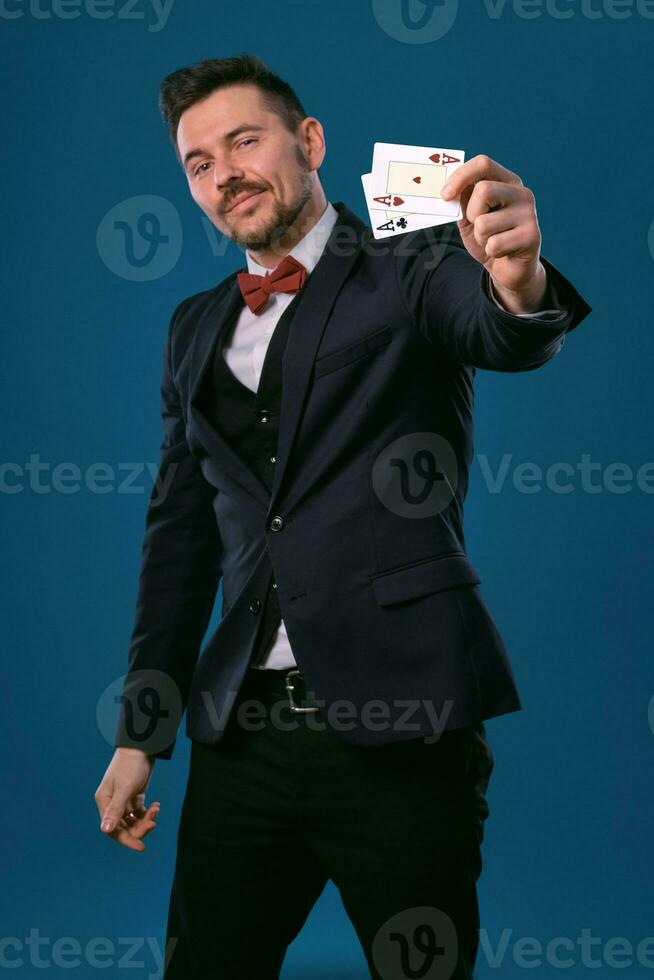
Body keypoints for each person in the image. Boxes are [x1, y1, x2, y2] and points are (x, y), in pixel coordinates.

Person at [94, 54, 591, 979]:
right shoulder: (192, 328)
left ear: (310, 141)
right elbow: (179, 539)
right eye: (198, 163)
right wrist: (140, 732)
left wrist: (518, 277)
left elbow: (499, 325)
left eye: (244, 140)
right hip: (242, 738)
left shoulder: (416, 260)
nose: (225, 172)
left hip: (403, 727)